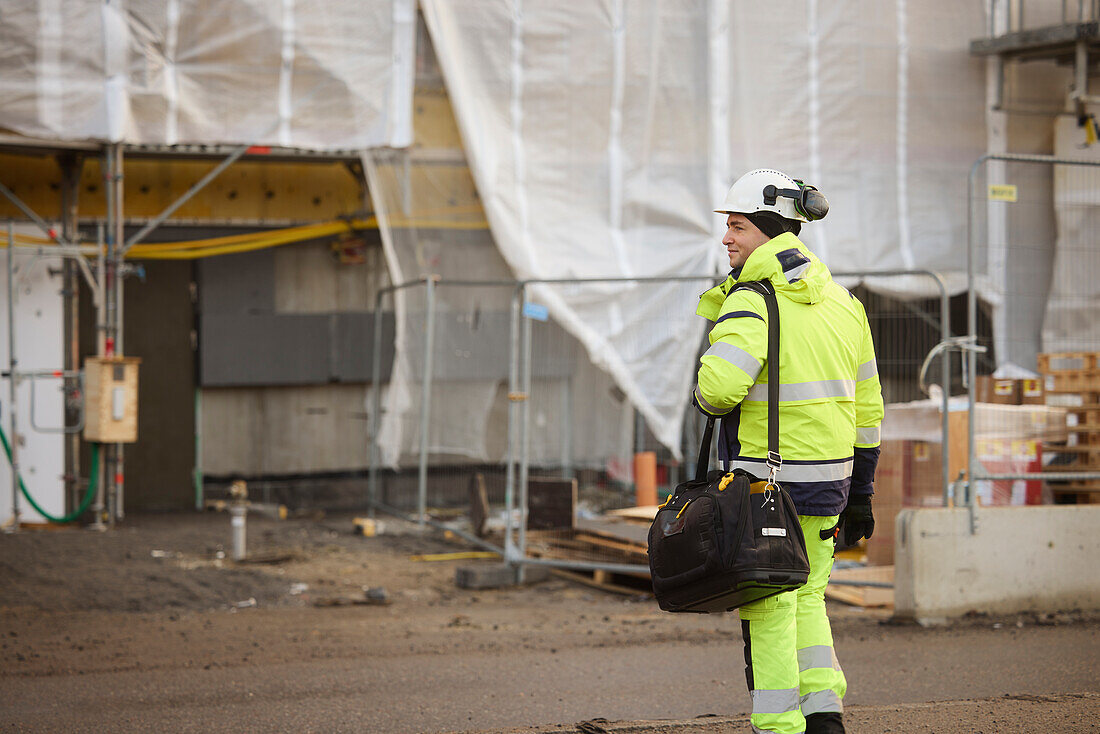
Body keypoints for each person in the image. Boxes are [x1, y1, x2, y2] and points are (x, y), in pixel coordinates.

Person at [691, 169, 883, 734]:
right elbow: (868, 411)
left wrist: (712, 357)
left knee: (771, 608)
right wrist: (862, 494)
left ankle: (777, 728)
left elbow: (717, 390)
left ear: (770, 230)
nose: (727, 238)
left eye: (738, 226)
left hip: (764, 491)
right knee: (809, 597)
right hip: (830, 485)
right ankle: (825, 717)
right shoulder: (845, 304)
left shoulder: (752, 300)